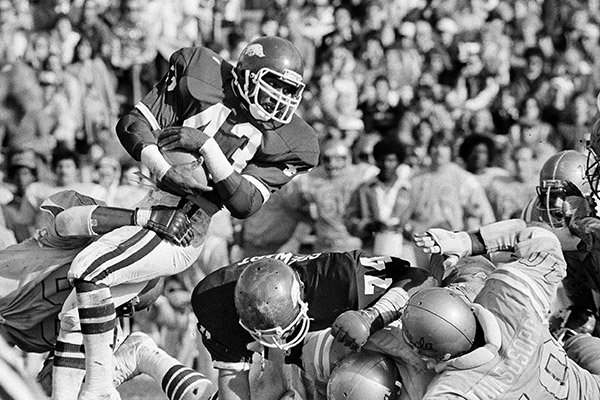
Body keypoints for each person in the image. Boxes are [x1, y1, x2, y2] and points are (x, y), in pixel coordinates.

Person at [58, 35, 319, 400]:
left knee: (89, 270)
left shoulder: (293, 140)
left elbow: (244, 203)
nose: (278, 98)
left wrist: (207, 147)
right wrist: (163, 170)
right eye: (271, 83)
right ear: (245, 75)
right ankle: (136, 360)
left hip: (183, 228)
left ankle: (100, 387)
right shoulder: (200, 71)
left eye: (286, 88)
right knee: (72, 318)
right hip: (154, 205)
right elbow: (133, 124)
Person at [0, 189, 202, 399]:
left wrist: (147, 218)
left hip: (120, 274)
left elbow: (71, 220)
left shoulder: (42, 255)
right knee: (53, 383)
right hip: (99, 303)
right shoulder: (26, 334)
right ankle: (139, 355)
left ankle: (138, 355)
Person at [191, 250, 436, 400]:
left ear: (301, 297)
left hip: (354, 339)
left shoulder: (340, 277)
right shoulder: (214, 303)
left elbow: (420, 278)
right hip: (289, 359)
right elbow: (232, 376)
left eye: (285, 328)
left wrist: (371, 317)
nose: (280, 337)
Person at [402, 219, 600, 399]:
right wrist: (467, 241)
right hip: (590, 389)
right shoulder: (511, 296)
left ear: (444, 356)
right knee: (579, 342)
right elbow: (541, 235)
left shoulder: (456, 387)